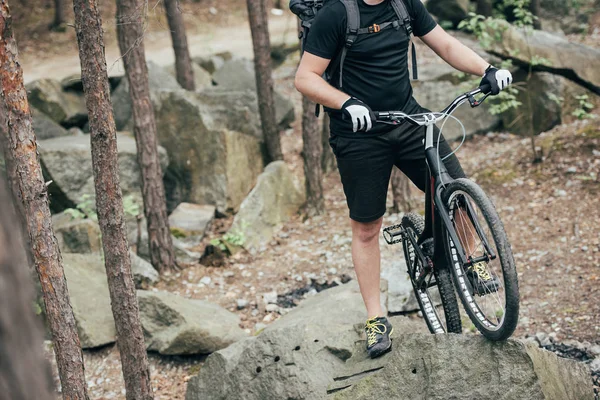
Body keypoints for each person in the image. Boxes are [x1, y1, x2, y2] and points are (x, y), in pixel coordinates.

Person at [294, 0, 512, 359]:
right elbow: (305, 78)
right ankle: (376, 318)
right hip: (359, 133)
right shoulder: (337, 14)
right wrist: (346, 103)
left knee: (455, 190)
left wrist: (486, 68)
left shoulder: (403, 4)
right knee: (367, 228)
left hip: (409, 120)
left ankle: (473, 260)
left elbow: (444, 44)